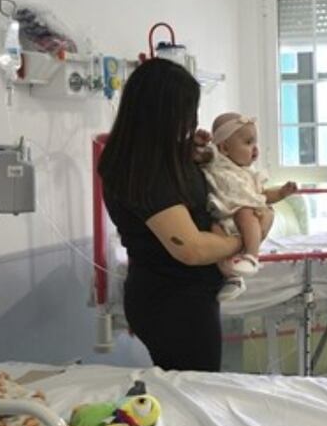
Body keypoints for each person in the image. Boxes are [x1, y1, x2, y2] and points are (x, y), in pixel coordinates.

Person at [98, 59, 270, 371]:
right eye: (186, 113)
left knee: (191, 387)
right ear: (162, 114)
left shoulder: (160, 154)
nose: (191, 121)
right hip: (173, 302)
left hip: (187, 295)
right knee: (195, 391)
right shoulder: (143, 168)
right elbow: (190, 248)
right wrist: (241, 241)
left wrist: (199, 153)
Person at [200, 112, 296, 300]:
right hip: (223, 218)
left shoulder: (250, 174)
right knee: (213, 233)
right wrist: (200, 141)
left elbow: (263, 196)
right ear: (224, 148)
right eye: (248, 143)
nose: (255, 149)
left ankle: (252, 257)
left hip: (247, 218)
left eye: (255, 143)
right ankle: (233, 278)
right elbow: (198, 154)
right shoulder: (216, 159)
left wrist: (282, 193)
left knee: (245, 213)